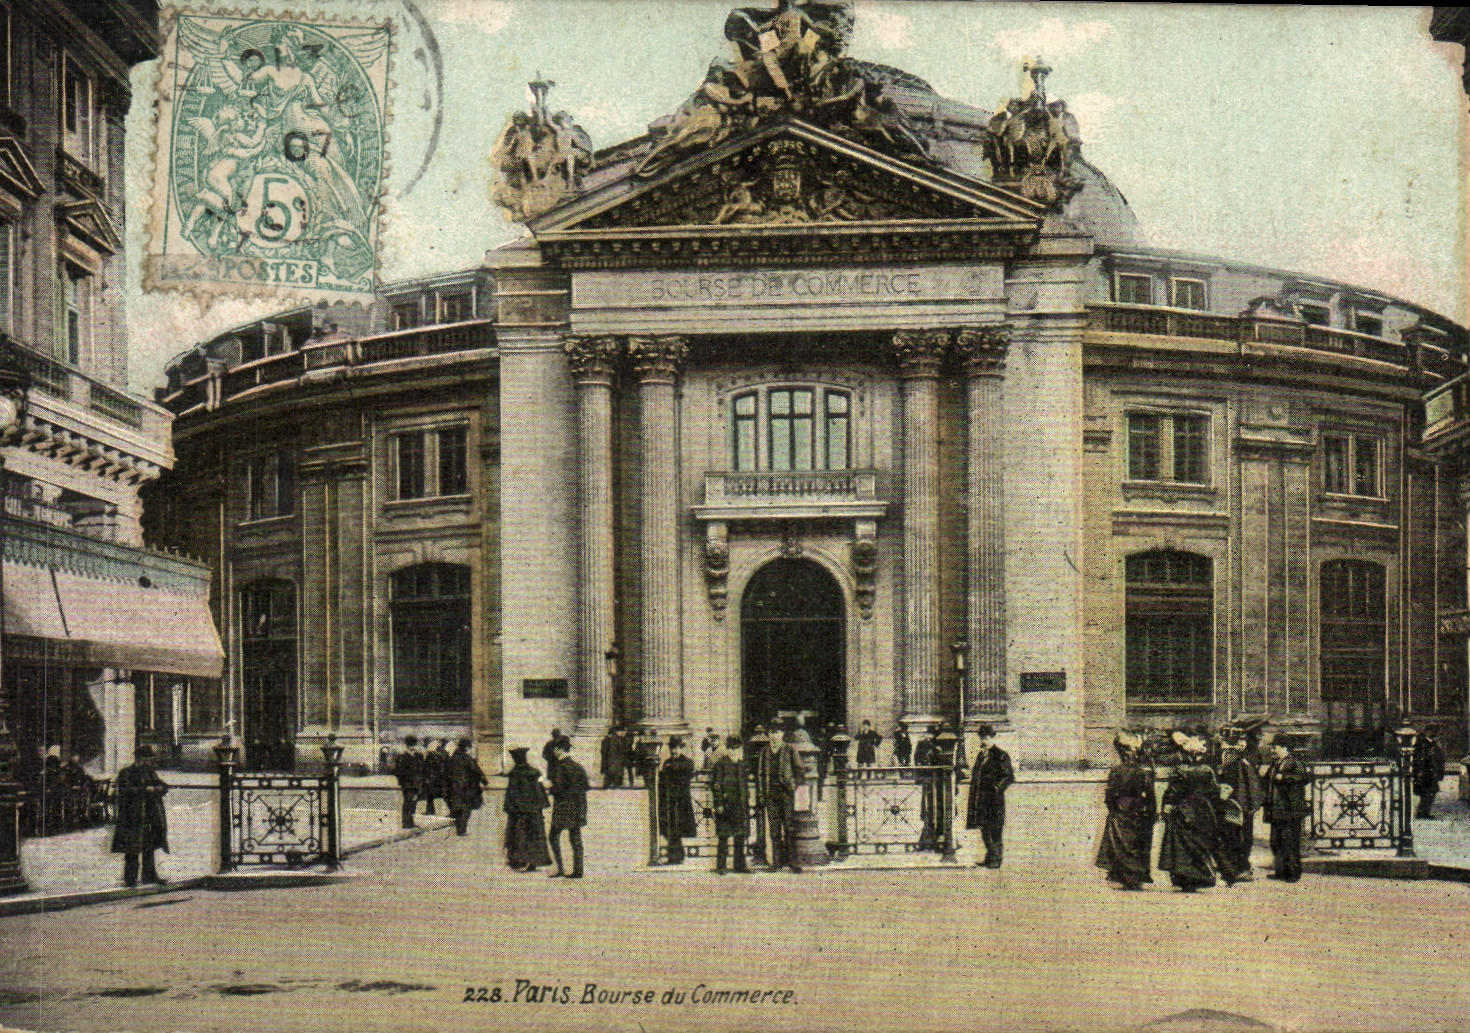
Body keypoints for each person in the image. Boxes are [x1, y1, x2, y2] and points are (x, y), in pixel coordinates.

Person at [1158, 732, 1222, 891]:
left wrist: (1167, 805)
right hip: (1202, 809)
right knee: (1199, 842)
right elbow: (1214, 791)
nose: (1205, 747)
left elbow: (1172, 791)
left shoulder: (1180, 769)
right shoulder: (1207, 769)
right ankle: (1199, 876)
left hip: (1184, 809)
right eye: (1203, 744)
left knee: (1182, 844)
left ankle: (1184, 878)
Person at [1095, 730, 1155, 890]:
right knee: (1136, 842)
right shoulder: (1142, 771)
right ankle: (1135, 876)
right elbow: (1149, 793)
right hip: (1137, 808)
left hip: (1120, 809)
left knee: (1120, 842)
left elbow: (1110, 794)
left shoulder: (1116, 771)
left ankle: (1122, 874)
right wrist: (1150, 810)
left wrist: (1114, 808)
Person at [111, 745, 169, 887]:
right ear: (140, 759)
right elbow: (124, 790)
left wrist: (160, 788)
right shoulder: (127, 773)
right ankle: (130, 879)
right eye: (148, 760)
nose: (150, 762)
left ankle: (149, 876)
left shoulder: (150, 773)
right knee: (132, 848)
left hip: (150, 815)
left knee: (149, 846)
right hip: (133, 816)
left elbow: (163, 785)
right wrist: (145, 790)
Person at [966, 724, 1015, 868]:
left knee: (995, 830)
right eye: (982, 737)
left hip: (994, 800)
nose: (984, 740)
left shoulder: (1000, 755)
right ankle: (990, 856)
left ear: (993, 738)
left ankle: (996, 859)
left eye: (987, 737)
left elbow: (1008, 776)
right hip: (981, 800)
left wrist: (996, 787)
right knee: (984, 829)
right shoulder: (981, 756)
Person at [758, 725, 806, 872]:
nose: (774, 736)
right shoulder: (764, 752)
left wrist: (792, 786)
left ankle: (793, 862)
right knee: (774, 830)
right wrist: (762, 793)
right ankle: (776, 862)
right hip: (771, 795)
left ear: (782, 733)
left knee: (790, 829)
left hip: (786, 795)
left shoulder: (790, 749)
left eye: (777, 732)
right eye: (771, 732)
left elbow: (800, 771)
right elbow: (760, 775)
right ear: (768, 734)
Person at [1216, 737, 1263, 880]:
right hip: (1240, 806)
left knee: (1239, 836)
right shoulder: (1241, 762)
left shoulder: (1240, 763)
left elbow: (1246, 786)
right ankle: (1237, 867)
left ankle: (1240, 868)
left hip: (1239, 806)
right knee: (1234, 836)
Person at [1263, 740, 1310, 882]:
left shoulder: (1295, 762)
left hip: (1290, 810)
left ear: (1284, 747)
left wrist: (1285, 777)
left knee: (1290, 842)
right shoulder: (1276, 764)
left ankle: (1293, 873)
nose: (1273, 750)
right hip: (1277, 810)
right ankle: (1281, 871)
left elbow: (1304, 778)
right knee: (1276, 841)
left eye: (1275, 747)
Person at [503, 747, 552, 872]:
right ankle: (532, 861)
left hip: (518, 812)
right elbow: (540, 791)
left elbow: (511, 794)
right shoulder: (534, 773)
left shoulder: (514, 775)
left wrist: (510, 808)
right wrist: (539, 806)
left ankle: (519, 859)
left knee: (519, 835)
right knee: (534, 836)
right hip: (533, 812)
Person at [547, 739, 589, 878]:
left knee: (553, 836)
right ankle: (578, 870)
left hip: (563, 808)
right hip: (577, 807)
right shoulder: (578, 767)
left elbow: (558, 789)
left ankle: (560, 868)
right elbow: (585, 787)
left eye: (554, 749)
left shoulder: (560, 767)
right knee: (576, 838)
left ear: (559, 749)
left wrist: (549, 787)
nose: (553, 751)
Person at [711, 735, 751, 874]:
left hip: (739, 806)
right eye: (732, 749)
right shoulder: (720, 765)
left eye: (737, 749)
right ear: (727, 749)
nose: (735, 752)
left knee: (740, 836)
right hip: (725, 806)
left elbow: (744, 786)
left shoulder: (741, 765)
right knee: (723, 837)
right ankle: (721, 866)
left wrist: (746, 803)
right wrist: (719, 804)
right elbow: (716, 786)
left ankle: (739, 865)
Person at [659, 737, 698, 864]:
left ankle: (676, 856)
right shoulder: (667, 762)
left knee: (678, 828)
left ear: (681, 748)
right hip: (669, 800)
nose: (673, 751)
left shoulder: (687, 762)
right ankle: (675, 855)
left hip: (681, 801)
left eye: (676, 748)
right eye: (672, 748)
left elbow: (688, 769)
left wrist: (673, 766)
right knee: (670, 828)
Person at [445, 738, 488, 837]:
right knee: (466, 809)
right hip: (465, 788)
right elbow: (476, 770)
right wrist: (484, 781)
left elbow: (446, 773)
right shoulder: (467, 758)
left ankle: (459, 827)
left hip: (453, 787)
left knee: (458, 808)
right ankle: (461, 830)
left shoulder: (452, 758)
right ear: (467, 747)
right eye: (470, 747)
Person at [1413, 726, 1447, 820]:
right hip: (1424, 772)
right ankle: (1422, 813)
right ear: (1426, 732)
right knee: (1426, 793)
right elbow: (1418, 759)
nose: (1432, 734)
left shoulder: (1433, 743)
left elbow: (1439, 757)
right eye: (1430, 732)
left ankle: (1424, 812)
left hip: (1431, 773)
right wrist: (1418, 772)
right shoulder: (1421, 743)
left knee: (1430, 793)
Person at [393, 735, 424, 829]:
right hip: (408, 784)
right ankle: (406, 823)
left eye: (414, 745)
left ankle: (410, 821)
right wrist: (404, 782)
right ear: (407, 746)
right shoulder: (402, 757)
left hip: (416, 783)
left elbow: (421, 769)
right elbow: (399, 772)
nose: (413, 747)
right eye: (411, 745)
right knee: (408, 802)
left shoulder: (418, 756)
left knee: (413, 803)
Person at [422, 738, 449, 817]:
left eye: (441, 744)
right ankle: (430, 810)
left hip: (435, 778)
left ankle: (430, 810)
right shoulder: (444, 754)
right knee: (436, 795)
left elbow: (426, 766)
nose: (440, 745)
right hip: (438, 778)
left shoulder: (432, 754)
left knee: (433, 795)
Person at [600, 725, 627, 790]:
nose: (624, 733)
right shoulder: (618, 739)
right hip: (615, 762)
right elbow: (620, 751)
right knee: (615, 781)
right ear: (620, 731)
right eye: (623, 731)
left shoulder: (610, 739)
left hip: (610, 762)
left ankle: (606, 788)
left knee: (608, 778)